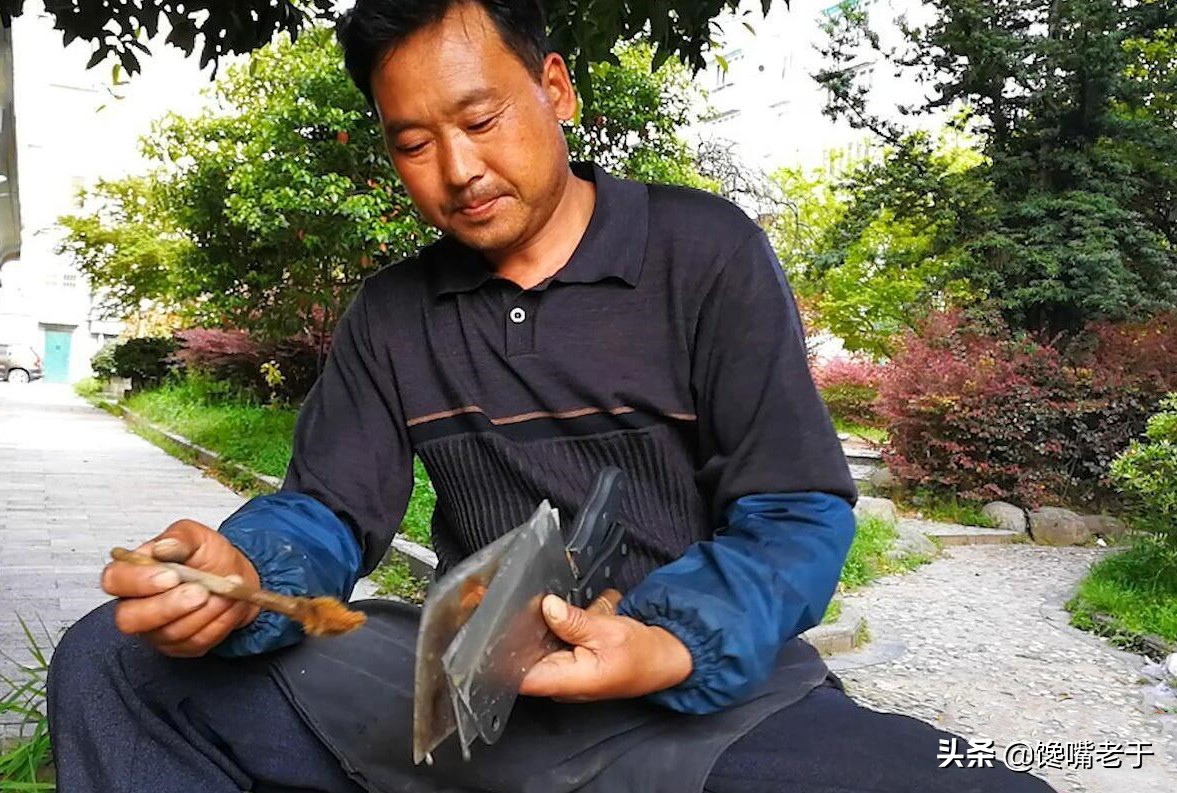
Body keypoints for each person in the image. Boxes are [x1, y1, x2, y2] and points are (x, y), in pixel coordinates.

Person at [47, 1, 1057, 791]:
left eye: (480, 119)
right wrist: (243, 574)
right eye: (412, 142)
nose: (457, 169)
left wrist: (670, 641)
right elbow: (326, 510)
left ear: (555, 88)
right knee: (118, 662)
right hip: (480, 695)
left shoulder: (704, 252)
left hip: (694, 697)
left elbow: (794, 510)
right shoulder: (393, 314)